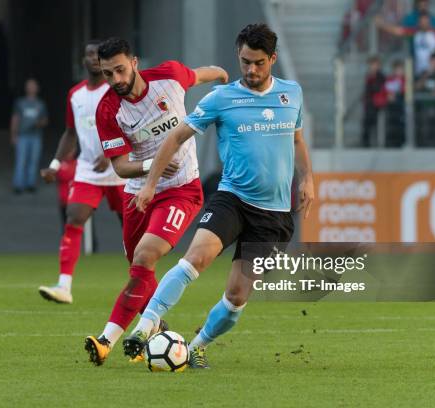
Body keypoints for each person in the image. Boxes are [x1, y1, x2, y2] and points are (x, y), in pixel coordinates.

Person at [123, 23, 314, 369]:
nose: (251, 70)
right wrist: (150, 182)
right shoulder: (221, 98)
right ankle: (144, 328)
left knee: (237, 296)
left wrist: (307, 179)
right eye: (244, 62)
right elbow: (176, 137)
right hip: (233, 199)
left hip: (273, 215)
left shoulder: (292, 94)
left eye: (258, 63)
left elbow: (297, 140)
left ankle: (196, 347)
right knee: (194, 259)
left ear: (272, 59)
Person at [82, 37, 229, 366]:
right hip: (138, 194)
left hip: (182, 189)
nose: (116, 80)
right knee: (139, 271)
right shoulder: (108, 109)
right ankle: (155, 326)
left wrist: (220, 74)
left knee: (147, 254)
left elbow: (197, 74)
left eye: (120, 70)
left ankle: (108, 339)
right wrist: (153, 166)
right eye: (108, 74)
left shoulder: (169, 77)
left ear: (134, 62)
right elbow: (120, 166)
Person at [38, 40, 126, 304]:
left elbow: (131, 125)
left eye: (98, 55)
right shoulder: (75, 94)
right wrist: (55, 165)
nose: (94, 59)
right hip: (88, 169)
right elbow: (70, 133)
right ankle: (64, 286)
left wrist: (112, 155)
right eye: (89, 54)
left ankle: (143, 283)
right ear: (83, 60)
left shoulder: (116, 91)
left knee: (131, 229)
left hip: (121, 168)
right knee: (74, 217)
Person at [376, 12, 435, 76]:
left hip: (433, 72)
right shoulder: (415, 32)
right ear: (419, 22)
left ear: (429, 21)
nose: (424, 24)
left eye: (426, 21)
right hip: (419, 72)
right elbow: (398, 31)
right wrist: (382, 24)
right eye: (422, 21)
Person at [11, 78, 48, 194]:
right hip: (22, 136)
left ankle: (30, 184)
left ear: (37, 88)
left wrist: (40, 123)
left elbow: (45, 120)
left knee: (33, 161)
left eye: (33, 86)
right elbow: (15, 119)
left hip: (36, 137)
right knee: (21, 161)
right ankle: (18, 185)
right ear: (26, 88)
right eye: (29, 86)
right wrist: (13, 134)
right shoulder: (20, 102)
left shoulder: (41, 104)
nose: (31, 88)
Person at [362, 55, 386, 147]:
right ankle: (366, 142)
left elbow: (377, 88)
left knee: (375, 123)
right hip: (369, 103)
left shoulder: (380, 76)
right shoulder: (368, 76)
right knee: (367, 123)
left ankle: (377, 142)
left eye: (374, 64)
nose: (372, 67)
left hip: (377, 103)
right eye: (371, 65)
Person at [384, 60, 406, 147]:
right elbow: (386, 90)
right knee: (392, 124)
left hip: (401, 106)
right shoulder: (390, 79)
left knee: (401, 125)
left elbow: (404, 91)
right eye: (397, 69)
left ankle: (400, 142)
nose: (399, 71)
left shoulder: (405, 79)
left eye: (401, 69)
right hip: (392, 106)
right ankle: (391, 142)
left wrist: (396, 94)